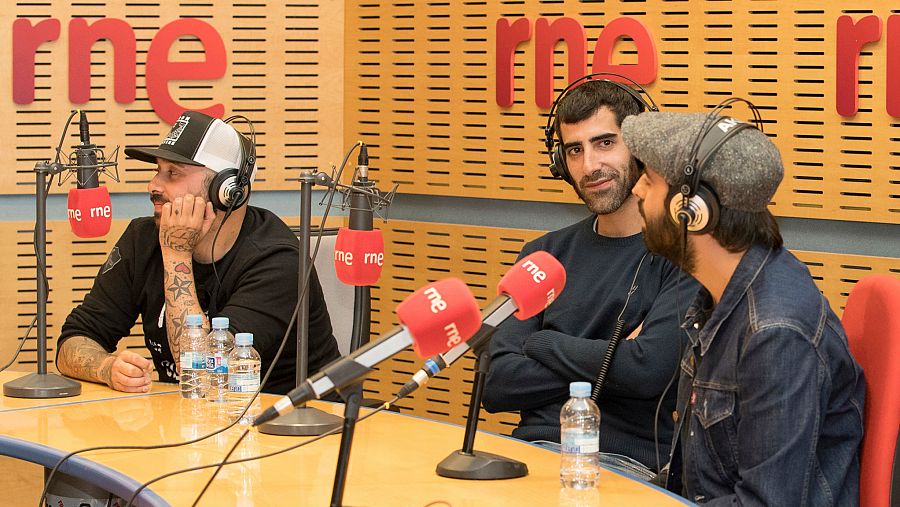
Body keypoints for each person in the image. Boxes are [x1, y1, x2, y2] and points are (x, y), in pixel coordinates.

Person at [623, 108, 865, 505]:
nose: (636, 190)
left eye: (649, 179)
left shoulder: (775, 333)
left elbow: (765, 502)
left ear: (692, 211)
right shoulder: (722, 295)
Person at [482, 79, 697, 480]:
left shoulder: (682, 256)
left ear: (641, 150)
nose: (589, 166)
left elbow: (647, 372)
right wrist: (614, 356)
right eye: (574, 150)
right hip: (528, 453)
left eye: (605, 143)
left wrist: (541, 344)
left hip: (624, 465)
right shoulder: (542, 255)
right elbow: (497, 385)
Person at [56, 111, 340, 395]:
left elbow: (204, 375)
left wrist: (177, 253)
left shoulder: (279, 261)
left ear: (227, 190)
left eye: (173, 173)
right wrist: (105, 368)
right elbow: (74, 339)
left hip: (290, 416)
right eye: (158, 170)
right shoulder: (142, 239)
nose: (153, 185)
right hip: (190, 416)